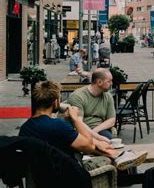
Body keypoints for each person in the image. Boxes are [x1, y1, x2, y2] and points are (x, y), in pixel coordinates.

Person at [19, 81, 147, 171]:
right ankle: (116, 157)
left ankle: (116, 155)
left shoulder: (26, 128)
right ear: (56, 101)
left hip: (40, 174)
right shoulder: (58, 125)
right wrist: (76, 120)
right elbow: (88, 145)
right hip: (67, 173)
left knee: (81, 142)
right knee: (96, 152)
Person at [67, 68, 116, 142]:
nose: (111, 83)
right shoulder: (78, 96)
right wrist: (98, 137)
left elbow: (111, 120)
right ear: (99, 82)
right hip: (80, 130)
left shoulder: (108, 96)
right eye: (109, 81)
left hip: (98, 128)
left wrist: (95, 131)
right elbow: (78, 123)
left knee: (109, 141)